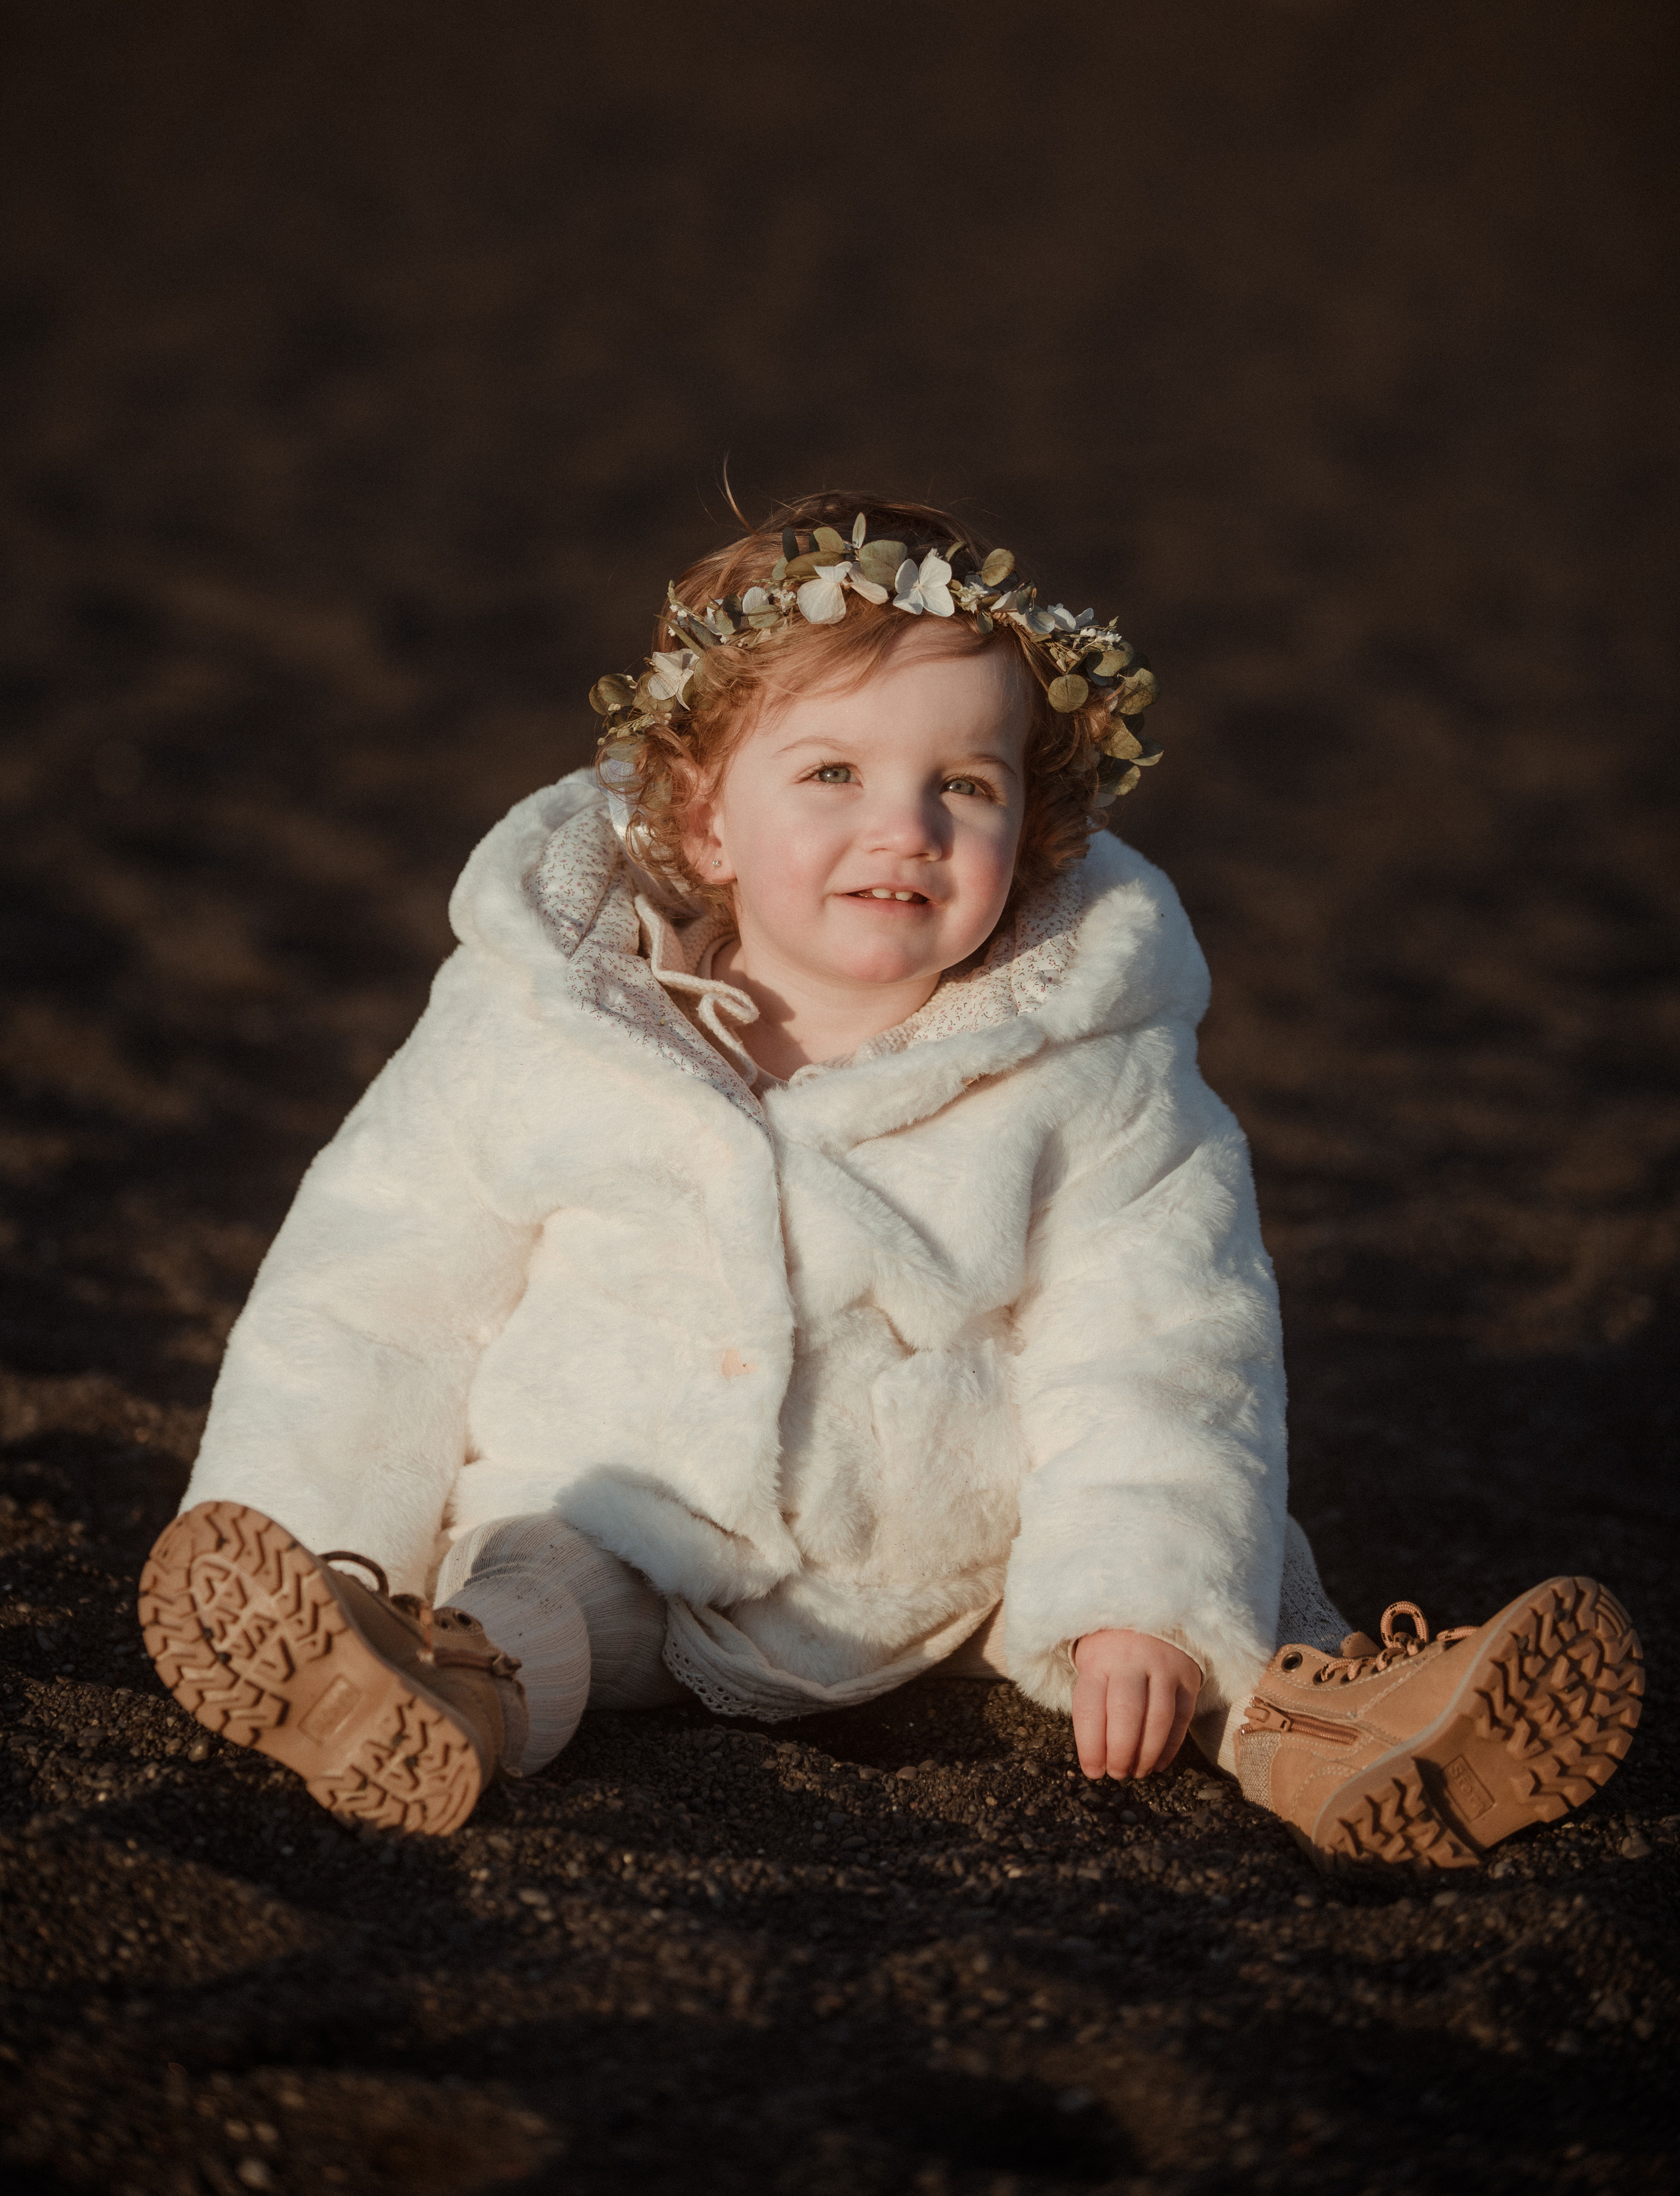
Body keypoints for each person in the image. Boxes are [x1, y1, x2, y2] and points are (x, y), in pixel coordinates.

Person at [138, 493, 1644, 1870]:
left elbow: (1159, 1345)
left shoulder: (1091, 1062)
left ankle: (1339, 1737)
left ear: (1029, 828)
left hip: (964, 1544)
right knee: (528, 1585)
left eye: (964, 786)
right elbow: (372, 1291)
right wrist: (294, 1532)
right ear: (702, 818)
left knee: (1209, 1584)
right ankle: (406, 1688)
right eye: (834, 771)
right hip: (630, 1511)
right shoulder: (541, 1022)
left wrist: (1134, 1598)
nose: (903, 829)